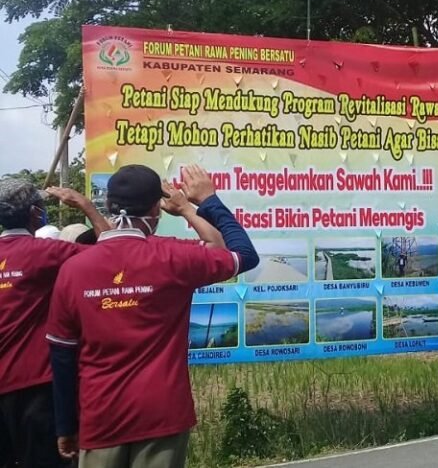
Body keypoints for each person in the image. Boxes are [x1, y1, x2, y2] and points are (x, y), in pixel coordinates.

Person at [46, 164, 259, 467]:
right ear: (156, 212)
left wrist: (65, 424)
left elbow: (62, 354)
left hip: (100, 416)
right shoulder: (172, 257)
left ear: (109, 205)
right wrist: (200, 204)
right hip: (162, 414)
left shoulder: (73, 269)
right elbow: (240, 254)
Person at [0, 178, 109, 468]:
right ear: (36, 213)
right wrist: (87, 206)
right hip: (36, 389)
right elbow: (112, 252)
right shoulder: (43, 254)